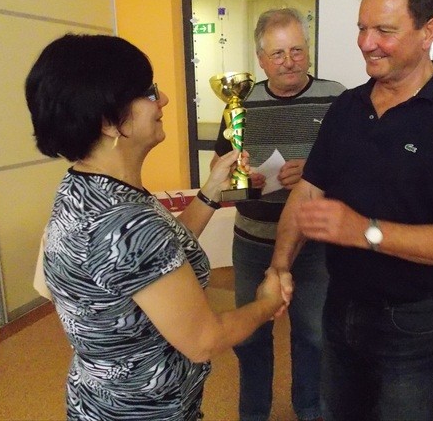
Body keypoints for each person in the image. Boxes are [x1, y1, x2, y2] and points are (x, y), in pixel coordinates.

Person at [270, 0, 433, 421]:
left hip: (415, 319)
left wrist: (364, 231)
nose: (366, 42)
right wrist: (279, 265)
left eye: (384, 30)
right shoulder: (347, 107)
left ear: (428, 31)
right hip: (340, 304)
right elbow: (308, 192)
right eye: (362, 28)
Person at [25, 33, 289, 421]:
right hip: (146, 411)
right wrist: (267, 303)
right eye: (149, 92)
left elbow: (156, 257)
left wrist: (211, 190)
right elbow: (203, 340)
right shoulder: (126, 222)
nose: (162, 99)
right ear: (109, 122)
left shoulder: (87, 187)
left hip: (98, 401)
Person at [211, 8, 345, 421]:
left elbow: (359, 167)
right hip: (252, 241)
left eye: (297, 50)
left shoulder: (338, 97)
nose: (289, 61)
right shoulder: (240, 102)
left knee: (314, 334)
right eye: (278, 54)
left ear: (308, 51)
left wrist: (316, 172)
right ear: (261, 59)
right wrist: (241, 176)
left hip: (314, 241)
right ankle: (254, 414)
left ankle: (310, 409)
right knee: (250, 334)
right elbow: (220, 167)